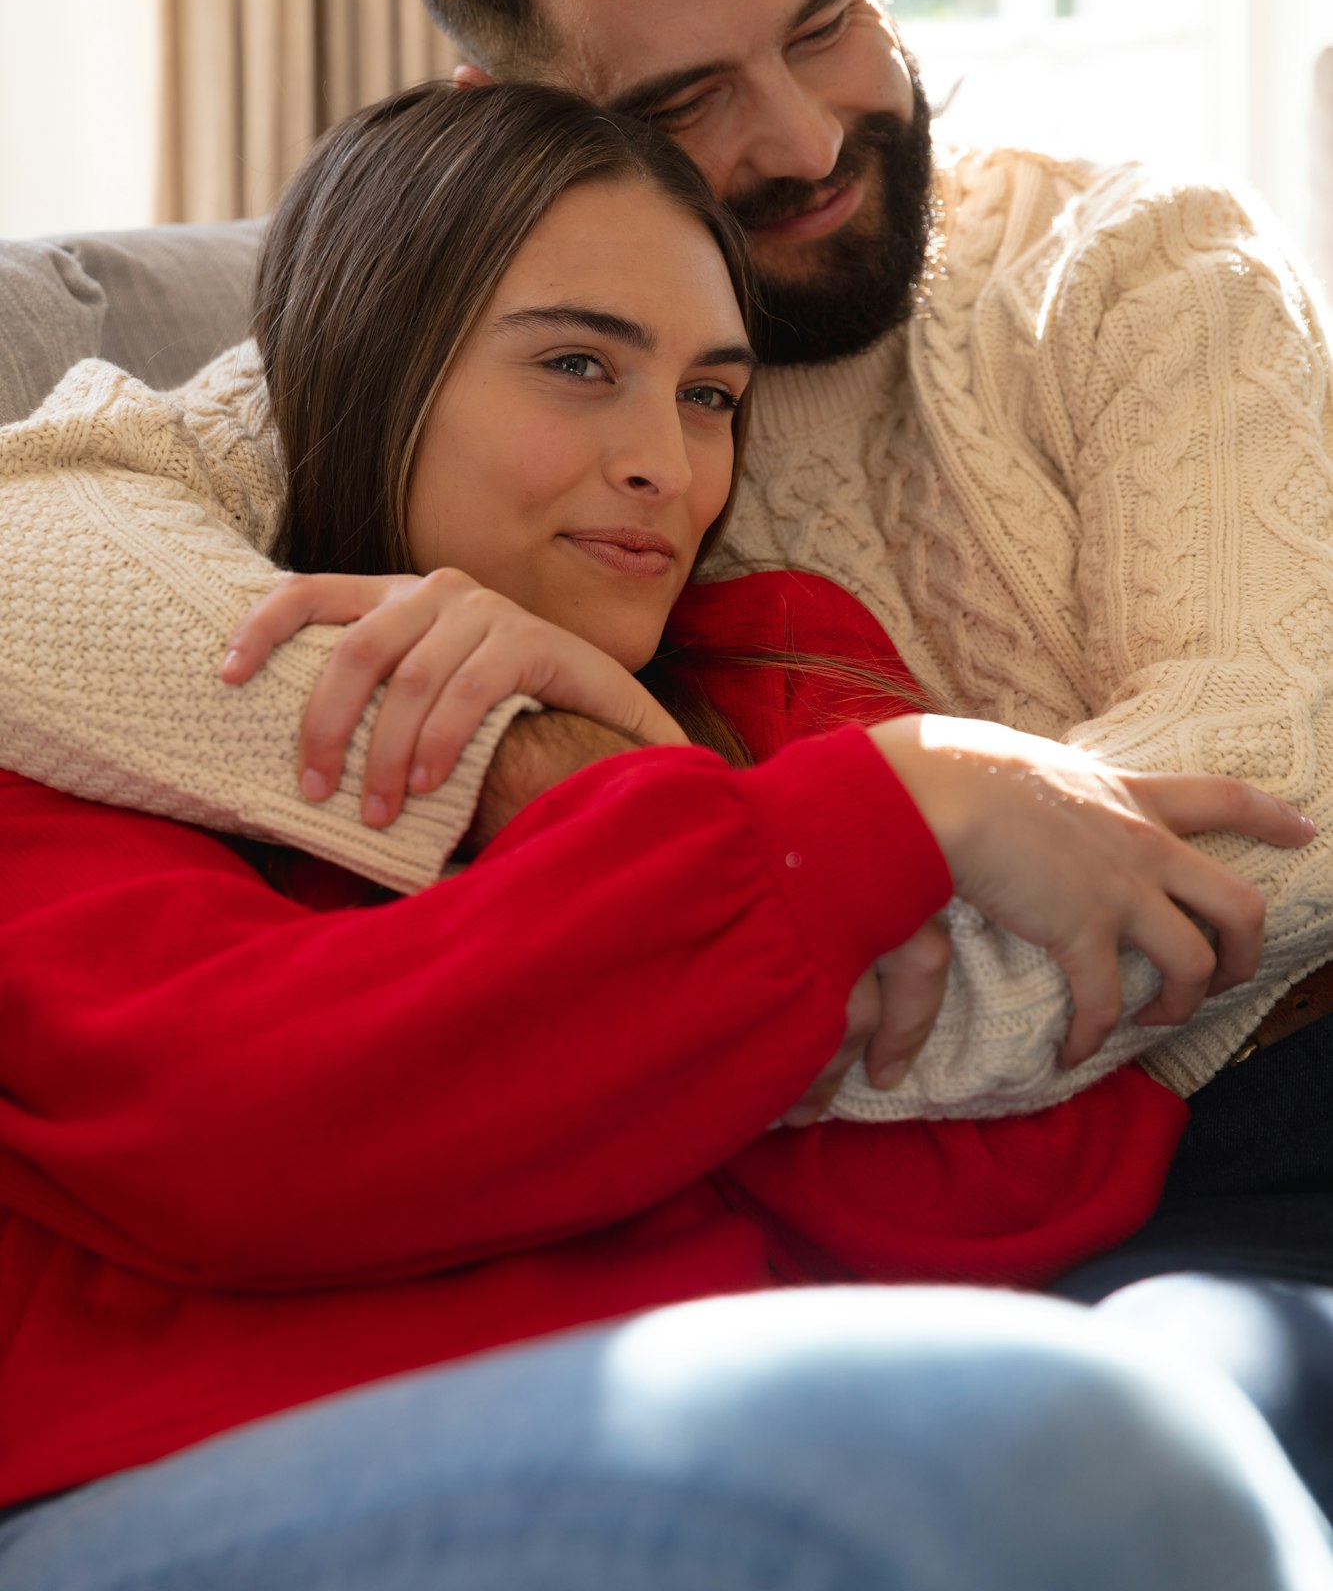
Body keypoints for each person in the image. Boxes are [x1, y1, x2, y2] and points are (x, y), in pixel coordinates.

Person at [0, 79, 1327, 1588]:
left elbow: (1014, 1186)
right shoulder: (101, 691)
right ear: (373, 362)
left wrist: (648, 786)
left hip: (726, 1377)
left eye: (709, 394)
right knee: (1089, 1452)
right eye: (579, 364)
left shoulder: (766, 673)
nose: (668, 467)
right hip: (194, 1464)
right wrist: (883, 812)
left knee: (1199, 1405)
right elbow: (250, 1125)